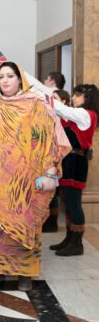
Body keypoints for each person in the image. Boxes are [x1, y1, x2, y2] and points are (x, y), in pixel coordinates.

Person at [0, 61, 70, 292]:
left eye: (10, 76)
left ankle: (25, 272)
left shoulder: (34, 104)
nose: (5, 80)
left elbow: (47, 139)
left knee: (25, 224)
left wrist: (47, 169)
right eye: (1, 77)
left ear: (20, 79)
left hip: (25, 180)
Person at [49, 84, 99, 256]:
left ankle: (77, 244)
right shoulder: (79, 115)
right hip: (70, 160)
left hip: (77, 161)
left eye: (77, 95)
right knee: (69, 203)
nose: (74, 98)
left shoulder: (86, 114)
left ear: (88, 97)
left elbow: (62, 109)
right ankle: (70, 239)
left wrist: (46, 97)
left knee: (74, 203)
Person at [41, 72, 67, 233]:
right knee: (50, 187)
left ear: (50, 80)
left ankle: (50, 223)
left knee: (50, 187)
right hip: (50, 149)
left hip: (53, 150)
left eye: (45, 78)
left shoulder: (51, 96)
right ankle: (50, 222)